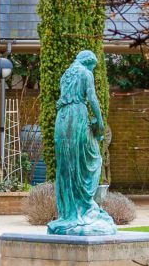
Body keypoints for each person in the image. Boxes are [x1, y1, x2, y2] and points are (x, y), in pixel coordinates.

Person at [47, 50, 116, 236]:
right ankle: (84, 207)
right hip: (77, 115)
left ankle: (69, 212)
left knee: (67, 165)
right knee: (92, 159)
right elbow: (92, 97)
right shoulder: (86, 73)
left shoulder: (66, 75)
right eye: (93, 66)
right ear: (89, 62)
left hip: (62, 118)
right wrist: (100, 122)